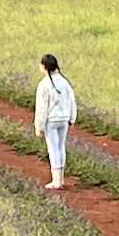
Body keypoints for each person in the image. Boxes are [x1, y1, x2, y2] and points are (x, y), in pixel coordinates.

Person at [33, 54, 77, 188]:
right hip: (64, 119)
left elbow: (41, 108)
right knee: (60, 147)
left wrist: (39, 126)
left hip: (51, 120)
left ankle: (56, 181)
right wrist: (72, 117)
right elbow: (72, 101)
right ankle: (61, 178)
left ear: (44, 67)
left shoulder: (44, 84)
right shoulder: (64, 82)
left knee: (53, 149)